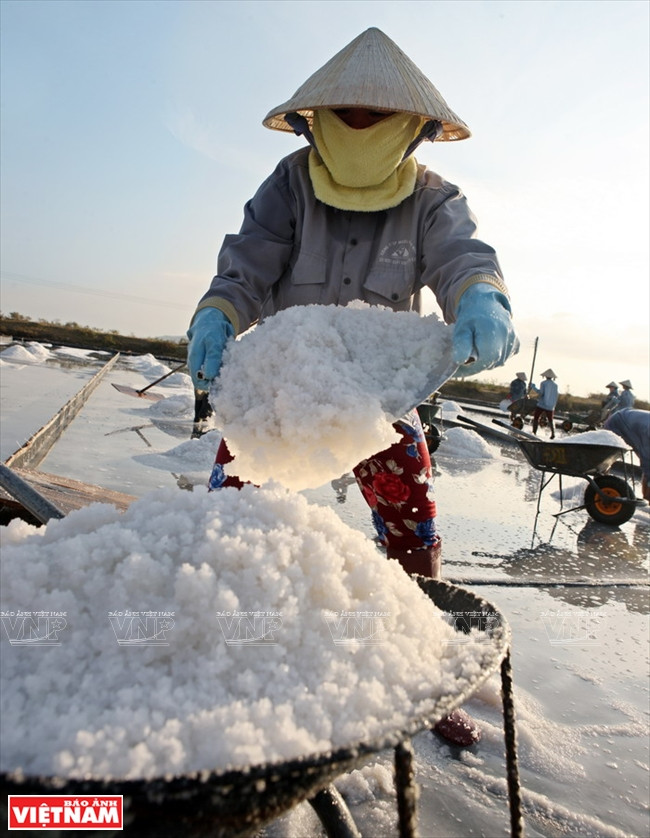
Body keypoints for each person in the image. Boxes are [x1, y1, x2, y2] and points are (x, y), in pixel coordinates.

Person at [186, 28, 519, 745]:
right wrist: (218, 312)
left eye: (378, 118)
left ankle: (419, 664)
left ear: (415, 129)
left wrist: (482, 295)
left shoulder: (434, 199)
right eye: (348, 117)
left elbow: (462, 256)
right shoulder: (288, 185)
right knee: (228, 518)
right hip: (286, 386)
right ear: (317, 121)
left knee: (412, 522)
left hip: (379, 392)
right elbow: (247, 265)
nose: (361, 129)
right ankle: (217, 647)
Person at [604, 408, 650, 501]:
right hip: (616, 424)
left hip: (631, 425)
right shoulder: (647, 432)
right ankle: (601, 488)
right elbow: (647, 462)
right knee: (605, 461)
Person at [530, 369, 559, 438]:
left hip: (542, 404)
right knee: (550, 420)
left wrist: (533, 387)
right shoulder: (555, 385)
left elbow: (541, 393)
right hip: (550, 406)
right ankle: (553, 434)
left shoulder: (543, 383)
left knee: (536, 418)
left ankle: (534, 432)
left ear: (545, 376)